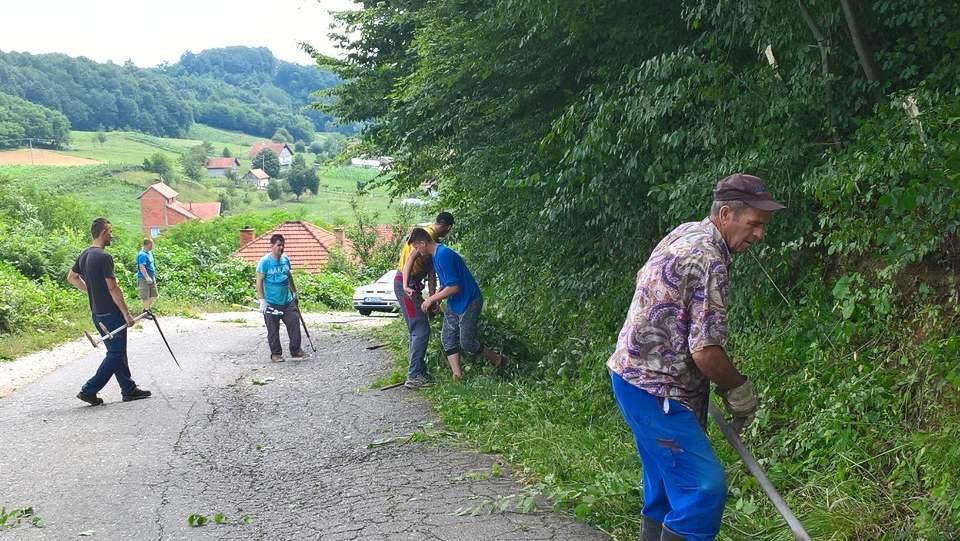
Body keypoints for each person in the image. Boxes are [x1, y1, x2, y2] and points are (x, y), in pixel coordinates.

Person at [607, 173, 785, 541]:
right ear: (725, 214)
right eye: (753, 224)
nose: (759, 234)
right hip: (657, 392)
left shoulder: (688, 232)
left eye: (763, 226)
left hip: (631, 377)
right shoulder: (709, 259)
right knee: (701, 490)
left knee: (665, 488)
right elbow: (704, 350)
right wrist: (739, 390)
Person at [67, 217, 151, 405]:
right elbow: (113, 288)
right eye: (110, 232)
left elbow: (71, 277)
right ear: (104, 232)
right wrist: (126, 314)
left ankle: (128, 389)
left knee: (117, 351)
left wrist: (90, 290)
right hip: (110, 314)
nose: (112, 236)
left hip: (97, 313)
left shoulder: (84, 255)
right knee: (115, 354)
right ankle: (88, 390)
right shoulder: (104, 257)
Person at [409, 227, 502, 380]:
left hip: (470, 300)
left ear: (423, 242)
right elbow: (446, 284)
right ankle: (457, 375)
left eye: (416, 247)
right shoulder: (436, 255)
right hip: (455, 301)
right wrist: (437, 300)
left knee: (467, 343)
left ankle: (498, 360)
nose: (417, 251)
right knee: (447, 338)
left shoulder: (443, 255)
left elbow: (455, 287)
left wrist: (431, 299)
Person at [395, 212, 455, 389]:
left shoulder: (433, 240)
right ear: (448, 227)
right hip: (405, 286)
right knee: (420, 329)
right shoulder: (426, 236)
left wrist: (433, 299)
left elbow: (430, 273)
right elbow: (410, 260)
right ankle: (414, 375)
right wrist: (406, 286)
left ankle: (418, 369)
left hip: (412, 286)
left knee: (419, 328)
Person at [255, 234, 304, 362]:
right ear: (272, 246)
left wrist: (294, 292)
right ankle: (276, 354)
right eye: (278, 245)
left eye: (283, 245)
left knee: (294, 323)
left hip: (287, 301)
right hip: (271, 302)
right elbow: (259, 282)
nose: (281, 248)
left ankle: (296, 350)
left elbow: (289, 276)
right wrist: (262, 301)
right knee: (273, 330)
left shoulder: (285, 260)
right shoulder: (264, 262)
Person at [136, 238, 158, 311]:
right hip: (143, 278)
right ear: (147, 244)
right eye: (152, 244)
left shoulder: (149, 253)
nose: (153, 246)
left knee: (154, 294)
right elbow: (142, 267)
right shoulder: (142, 255)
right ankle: (146, 311)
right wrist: (147, 277)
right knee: (146, 296)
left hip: (152, 276)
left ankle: (147, 309)